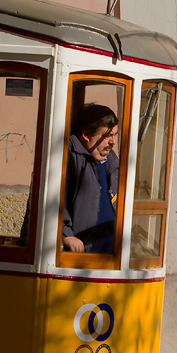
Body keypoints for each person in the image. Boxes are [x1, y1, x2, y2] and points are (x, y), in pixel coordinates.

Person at [62, 103, 120, 253]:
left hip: (110, 258)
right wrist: (65, 235)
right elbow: (50, 201)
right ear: (86, 135)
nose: (112, 142)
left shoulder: (112, 161)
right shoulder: (69, 157)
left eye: (114, 135)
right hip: (81, 258)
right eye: (107, 136)